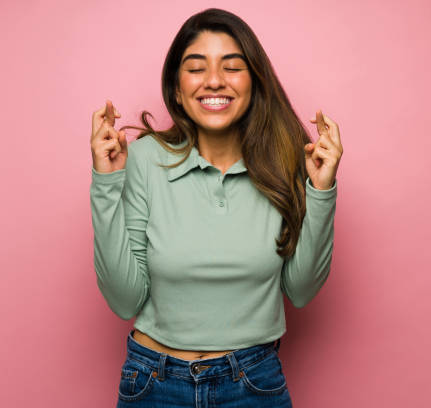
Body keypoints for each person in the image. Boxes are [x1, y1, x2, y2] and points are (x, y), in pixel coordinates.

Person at [89, 8, 342, 407]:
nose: (213, 81)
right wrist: (106, 183)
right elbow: (124, 300)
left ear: (254, 83)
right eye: (196, 67)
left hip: (253, 382)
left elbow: (302, 291)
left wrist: (321, 190)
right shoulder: (145, 159)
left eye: (232, 66)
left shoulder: (286, 160)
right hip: (153, 383)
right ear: (176, 88)